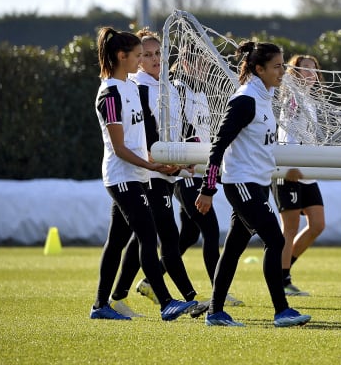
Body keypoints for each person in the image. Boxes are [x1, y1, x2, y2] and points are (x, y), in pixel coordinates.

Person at [195, 40, 311, 327]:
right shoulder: (245, 99)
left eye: (283, 65)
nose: (282, 71)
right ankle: (282, 310)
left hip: (257, 183)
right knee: (276, 239)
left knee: (233, 249)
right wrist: (208, 189)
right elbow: (218, 147)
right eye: (276, 66)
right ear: (259, 69)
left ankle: (215, 312)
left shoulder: (264, 98)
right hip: (242, 184)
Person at [91, 26, 197, 321]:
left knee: (116, 243)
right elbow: (120, 147)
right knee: (148, 237)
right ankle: (166, 303)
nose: (142, 60)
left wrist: (163, 161)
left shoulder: (129, 87)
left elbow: (140, 138)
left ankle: (101, 304)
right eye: (138, 55)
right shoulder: (109, 93)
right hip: (122, 177)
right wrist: (151, 167)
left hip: (136, 174)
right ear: (121, 56)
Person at [170, 56, 243, 307]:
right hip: (184, 170)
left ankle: (150, 278)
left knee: (189, 234)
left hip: (199, 169)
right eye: (196, 62)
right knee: (210, 230)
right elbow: (178, 125)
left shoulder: (201, 92)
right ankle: (217, 292)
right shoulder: (178, 87)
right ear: (184, 62)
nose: (202, 66)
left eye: (204, 63)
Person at [273, 54, 327, 296]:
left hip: (307, 171)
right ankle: (282, 280)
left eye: (313, 69)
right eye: (305, 69)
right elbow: (288, 133)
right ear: (293, 74)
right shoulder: (292, 98)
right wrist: (291, 163)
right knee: (290, 227)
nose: (311, 74)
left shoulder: (309, 100)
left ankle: (282, 269)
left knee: (317, 224)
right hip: (290, 169)